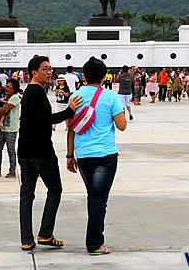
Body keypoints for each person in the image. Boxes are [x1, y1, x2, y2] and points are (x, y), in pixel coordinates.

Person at [17, 55, 83, 251]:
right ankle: (45, 234)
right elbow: (45, 119)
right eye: (45, 69)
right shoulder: (36, 92)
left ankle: (27, 239)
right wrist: (70, 111)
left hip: (25, 151)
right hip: (41, 152)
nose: (49, 72)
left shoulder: (31, 92)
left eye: (50, 68)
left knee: (27, 195)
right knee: (55, 190)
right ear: (34, 72)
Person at [66, 57, 126, 255]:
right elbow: (122, 125)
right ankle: (94, 243)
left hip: (83, 155)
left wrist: (69, 155)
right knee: (99, 199)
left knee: (94, 196)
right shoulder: (110, 97)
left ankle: (95, 240)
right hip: (105, 155)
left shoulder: (75, 96)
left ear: (84, 75)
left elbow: (71, 128)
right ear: (104, 75)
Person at [0, 79, 21, 178]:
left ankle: (12, 171)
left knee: (11, 150)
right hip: (1, 128)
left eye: (9, 87)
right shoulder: (5, 96)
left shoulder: (15, 97)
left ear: (14, 89)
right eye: (6, 86)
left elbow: (4, 109)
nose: (6, 88)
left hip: (10, 129)